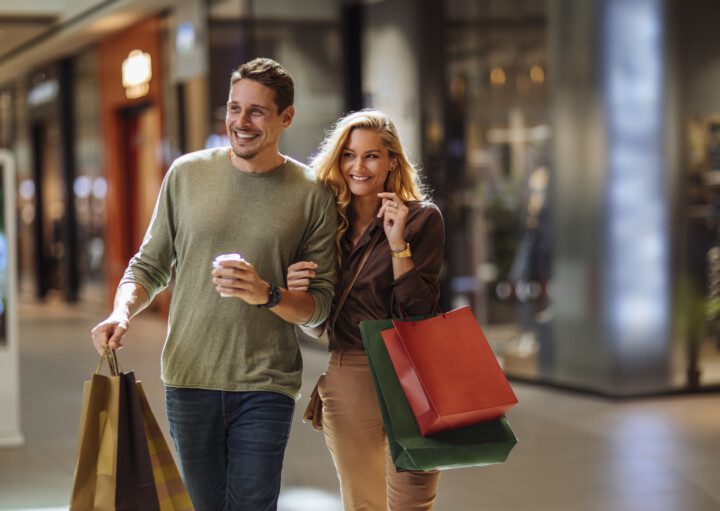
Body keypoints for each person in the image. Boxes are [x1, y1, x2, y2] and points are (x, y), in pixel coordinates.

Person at [90, 58, 337, 511]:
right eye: (234, 108)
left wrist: (267, 293)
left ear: (287, 117)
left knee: (250, 503)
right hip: (189, 377)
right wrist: (120, 311)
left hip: (267, 381)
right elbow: (148, 266)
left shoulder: (311, 193)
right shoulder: (186, 175)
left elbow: (318, 308)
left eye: (257, 111)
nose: (241, 122)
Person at [287, 110, 444, 510]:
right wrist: (296, 291)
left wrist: (397, 246)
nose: (358, 167)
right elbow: (317, 321)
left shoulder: (421, 219)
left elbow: (419, 312)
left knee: (413, 504)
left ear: (393, 161)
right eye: (348, 155)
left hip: (414, 373)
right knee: (364, 505)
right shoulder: (325, 224)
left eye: (372, 156)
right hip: (350, 373)